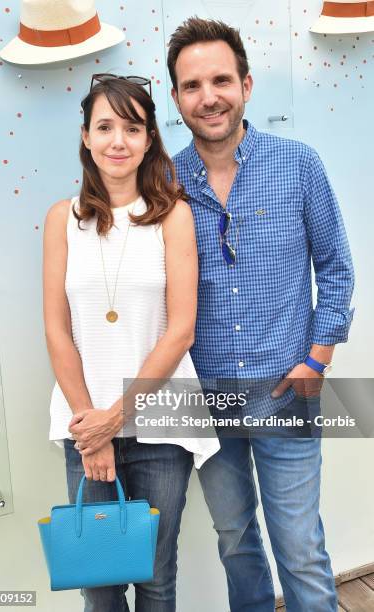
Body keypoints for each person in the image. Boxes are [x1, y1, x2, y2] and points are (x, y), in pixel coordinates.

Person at [167, 17, 355, 612]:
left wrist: (317, 359)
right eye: (192, 86)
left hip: (285, 389)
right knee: (234, 541)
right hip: (204, 397)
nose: (209, 97)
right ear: (176, 99)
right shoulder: (164, 182)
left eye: (221, 80)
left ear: (246, 84)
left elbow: (338, 268)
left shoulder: (297, 163)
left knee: (299, 546)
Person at [42, 74, 219, 612]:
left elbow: (180, 328)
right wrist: (92, 426)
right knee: (98, 582)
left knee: (155, 577)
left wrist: (116, 417)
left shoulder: (174, 216)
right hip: (84, 421)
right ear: (86, 137)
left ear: (148, 141)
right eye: (105, 126)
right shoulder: (61, 220)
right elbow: (57, 329)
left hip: (162, 419)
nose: (119, 140)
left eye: (133, 128)